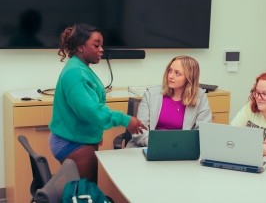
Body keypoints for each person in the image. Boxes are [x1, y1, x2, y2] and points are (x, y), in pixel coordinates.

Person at [49, 23, 147, 183]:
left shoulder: (79, 67)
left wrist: (94, 134)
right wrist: (126, 120)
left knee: (83, 191)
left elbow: (88, 110)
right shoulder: (76, 73)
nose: (101, 49)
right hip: (72, 143)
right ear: (81, 47)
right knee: (86, 193)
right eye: (96, 45)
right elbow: (92, 111)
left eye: (101, 45)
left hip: (75, 138)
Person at [126, 55, 212, 148]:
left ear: (189, 78)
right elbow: (139, 130)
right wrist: (160, 145)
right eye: (170, 71)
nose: (170, 76)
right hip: (150, 146)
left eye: (177, 73)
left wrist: (179, 146)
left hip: (182, 149)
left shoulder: (200, 97)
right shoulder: (151, 94)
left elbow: (203, 132)